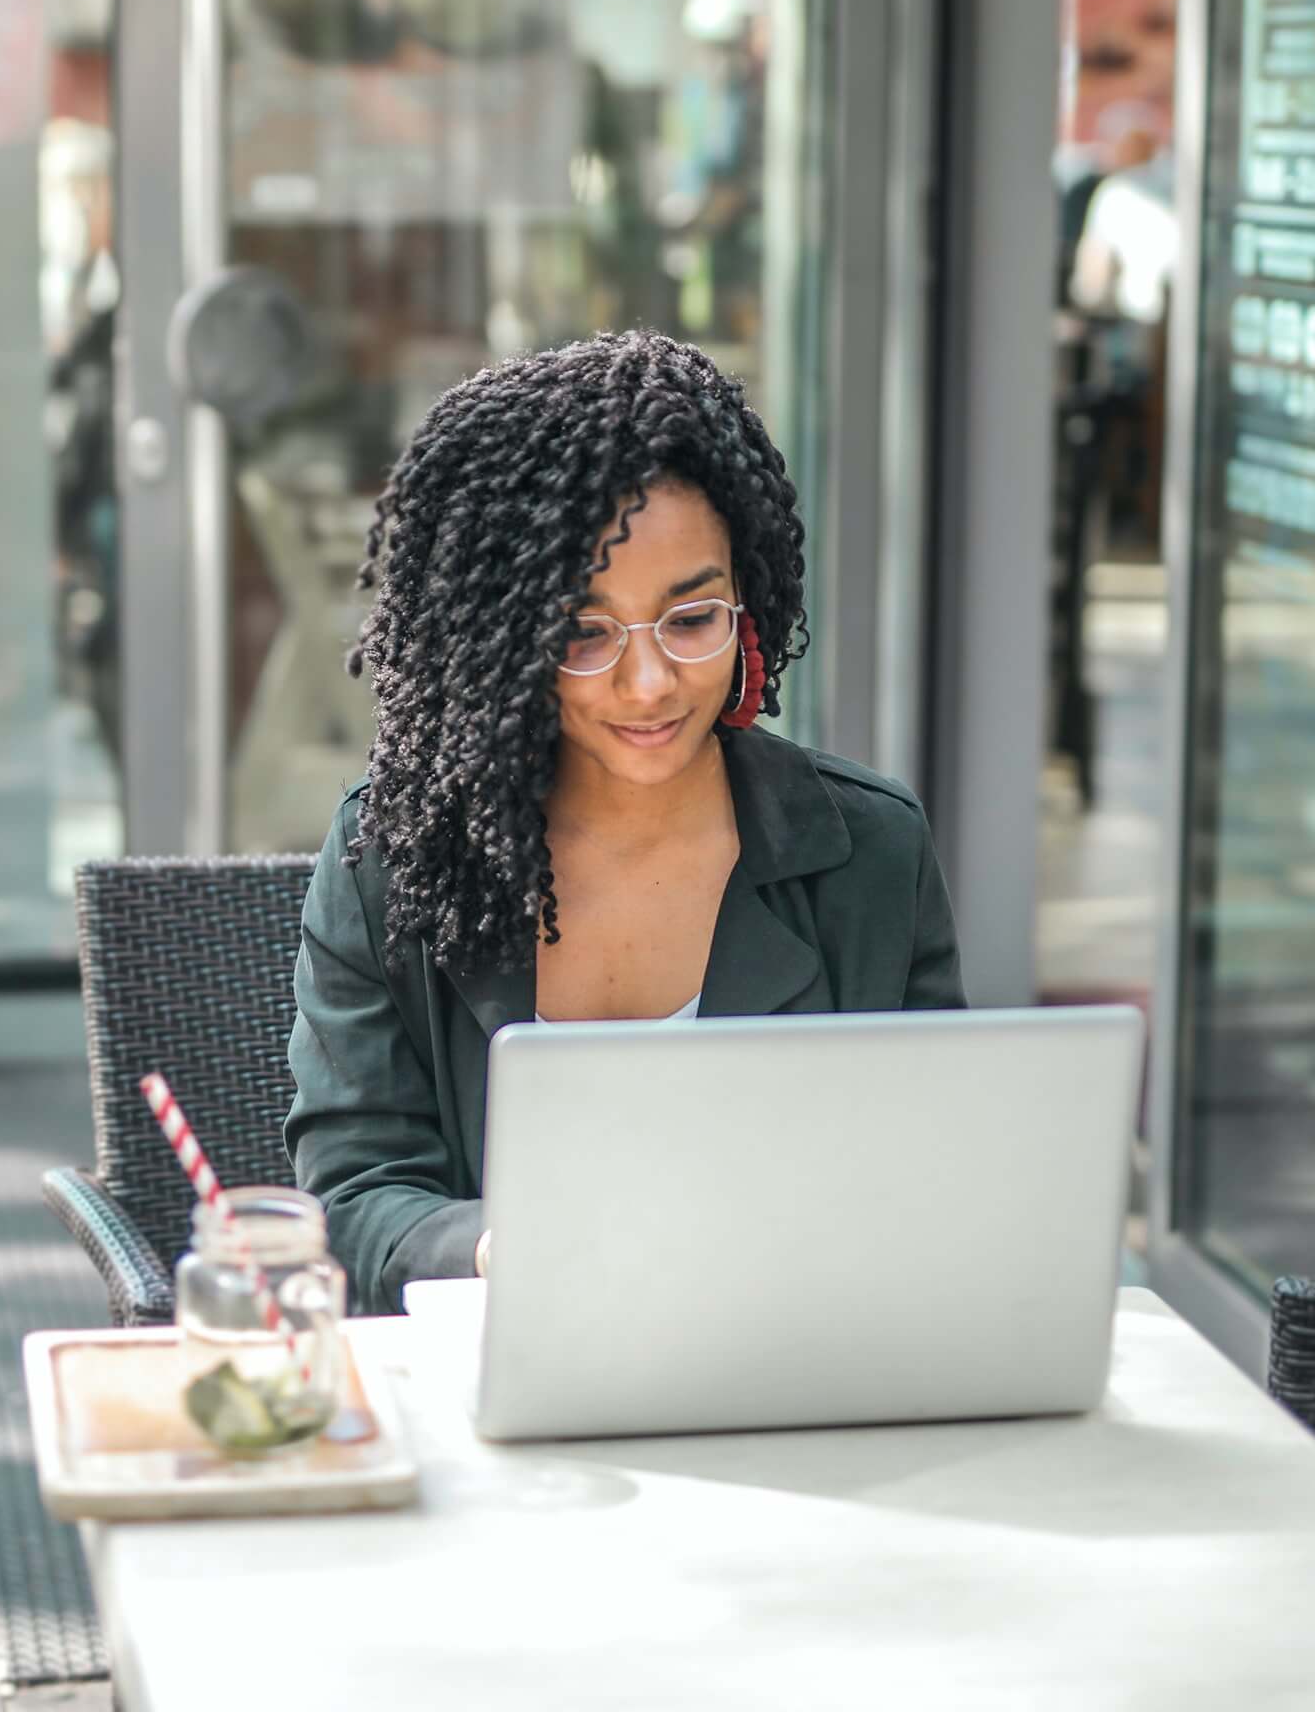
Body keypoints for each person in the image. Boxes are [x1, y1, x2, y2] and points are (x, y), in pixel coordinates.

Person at [283, 333, 966, 1312]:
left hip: (800, 1369)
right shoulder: (391, 859)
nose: (648, 684)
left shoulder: (869, 854)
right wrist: (494, 1246)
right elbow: (352, 1199)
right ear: (505, 640)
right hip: (499, 1387)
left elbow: (935, 1182)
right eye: (583, 633)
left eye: (692, 621)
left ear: (749, 606)